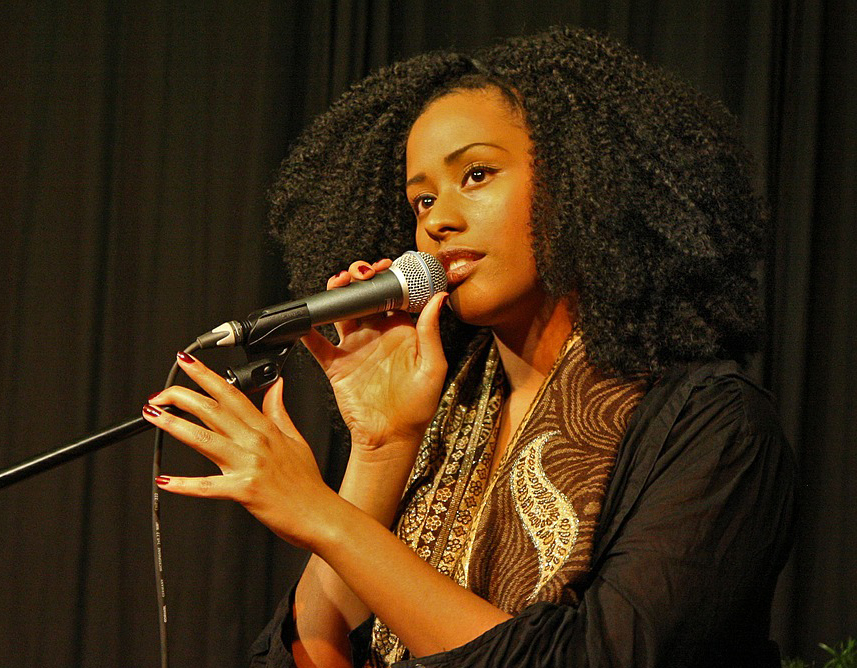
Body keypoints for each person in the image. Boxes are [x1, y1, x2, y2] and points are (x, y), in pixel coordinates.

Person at [142, 27, 796, 667]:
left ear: (583, 184)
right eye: (421, 199)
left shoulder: (715, 427)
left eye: (476, 175)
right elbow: (309, 656)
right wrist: (381, 447)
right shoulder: (442, 419)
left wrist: (322, 516)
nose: (437, 219)